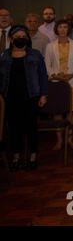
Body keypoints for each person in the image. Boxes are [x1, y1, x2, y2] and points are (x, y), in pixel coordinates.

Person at [0, 25, 48, 170]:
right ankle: (16, 156)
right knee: (14, 128)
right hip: (10, 97)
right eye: (17, 37)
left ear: (27, 39)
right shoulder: (4, 56)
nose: (20, 39)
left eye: (23, 37)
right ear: (11, 38)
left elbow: (42, 76)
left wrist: (43, 95)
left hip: (31, 96)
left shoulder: (35, 54)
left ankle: (33, 156)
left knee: (31, 127)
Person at [45, 19, 73, 150]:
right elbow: (47, 65)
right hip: (56, 82)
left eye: (65, 27)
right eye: (60, 27)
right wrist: (54, 75)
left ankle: (69, 138)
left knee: (71, 112)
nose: (62, 29)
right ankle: (59, 140)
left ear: (68, 30)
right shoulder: (50, 46)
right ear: (56, 29)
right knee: (57, 111)